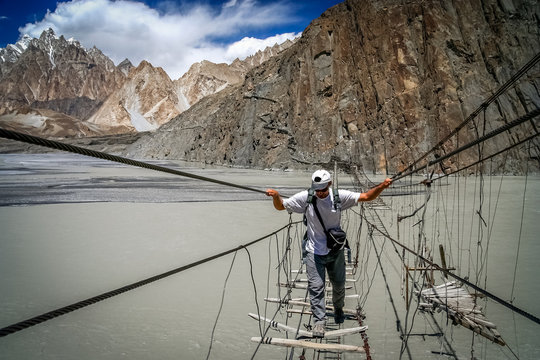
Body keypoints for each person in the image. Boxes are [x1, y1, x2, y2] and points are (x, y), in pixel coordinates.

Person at [266, 170, 392, 338]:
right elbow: (281, 206)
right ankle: (319, 321)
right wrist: (275, 196)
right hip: (314, 252)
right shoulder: (307, 197)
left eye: (323, 190)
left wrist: (382, 186)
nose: (320, 193)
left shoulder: (340, 197)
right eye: (317, 190)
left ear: (330, 185)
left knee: (339, 285)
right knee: (316, 288)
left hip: (335, 250)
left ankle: (338, 308)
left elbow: (367, 197)